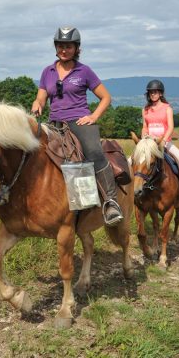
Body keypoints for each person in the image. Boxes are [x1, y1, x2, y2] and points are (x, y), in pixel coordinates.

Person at [31, 27, 123, 226]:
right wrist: (38, 103)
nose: (64, 50)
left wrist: (93, 116)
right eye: (61, 46)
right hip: (54, 123)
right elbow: (41, 96)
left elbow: (106, 97)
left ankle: (110, 202)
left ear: (76, 48)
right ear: (56, 47)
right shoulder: (48, 71)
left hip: (79, 121)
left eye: (69, 46)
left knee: (94, 152)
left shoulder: (84, 71)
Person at [140, 79, 179, 201]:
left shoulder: (167, 108)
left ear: (161, 94)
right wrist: (143, 139)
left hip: (165, 142)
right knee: (131, 162)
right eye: (151, 92)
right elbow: (144, 127)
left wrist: (164, 140)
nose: (153, 94)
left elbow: (170, 127)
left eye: (155, 92)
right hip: (149, 143)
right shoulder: (145, 109)